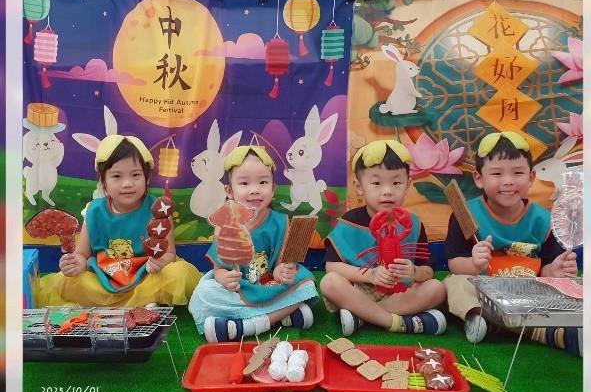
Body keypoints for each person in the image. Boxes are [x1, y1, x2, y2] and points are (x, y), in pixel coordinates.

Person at [443, 131, 581, 355]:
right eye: (497, 173)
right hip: (484, 293)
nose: (508, 181)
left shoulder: (543, 220)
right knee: (454, 283)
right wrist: (473, 264)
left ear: (531, 177)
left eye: (518, 172)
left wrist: (554, 271)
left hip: (528, 293)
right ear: (479, 179)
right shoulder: (466, 214)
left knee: (567, 287)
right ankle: (539, 332)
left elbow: (546, 269)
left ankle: (497, 326)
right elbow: (454, 264)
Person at [38, 135, 201, 307]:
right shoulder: (93, 211)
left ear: (147, 178)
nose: (127, 183)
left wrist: (160, 263)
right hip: (104, 279)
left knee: (179, 273)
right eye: (116, 176)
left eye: (135, 175)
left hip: (146, 277)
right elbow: (82, 254)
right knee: (66, 281)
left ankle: (147, 298)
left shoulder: (158, 210)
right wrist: (76, 263)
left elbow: (169, 254)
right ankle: (144, 302)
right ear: (103, 181)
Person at [188, 145, 318, 342]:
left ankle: (247, 325)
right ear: (229, 191)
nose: (255, 190)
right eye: (244, 183)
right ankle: (279, 317)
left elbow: (282, 264)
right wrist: (224, 279)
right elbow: (219, 269)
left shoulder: (281, 222)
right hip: (239, 289)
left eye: (263, 182)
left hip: (269, 285)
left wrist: (282, 271)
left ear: (273, 189)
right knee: (204, 294)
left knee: (306, 284)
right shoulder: (225, 226)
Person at [320, 139, 446, 337]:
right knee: (330, 282)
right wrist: (370, 275)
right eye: (377, 183)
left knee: (437, 288)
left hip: (399, 292)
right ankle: (396, 322)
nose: (387, 191)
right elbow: (331, 266)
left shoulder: (413, 223)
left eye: (396, 183)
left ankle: (362, 316)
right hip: (360, 290)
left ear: (408, 185)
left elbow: (428, 271)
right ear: (359, 187)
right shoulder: (350, 222)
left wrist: (413, 271)